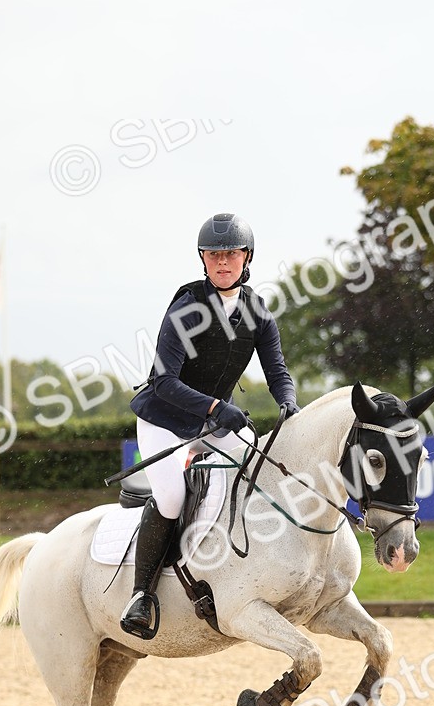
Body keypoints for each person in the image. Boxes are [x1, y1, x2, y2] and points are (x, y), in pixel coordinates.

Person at [120, 212, 299, 639]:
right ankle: (141, 595)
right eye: (214, 254)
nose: (223, 262)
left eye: (231, 254)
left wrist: (289, 403)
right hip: (165, 418)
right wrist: (217, 408)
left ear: (246, 257)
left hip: (215, 419)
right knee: (171, 496)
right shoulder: (187, 307)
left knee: (258, 471)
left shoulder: (257, 313)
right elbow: (163, 381)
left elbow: (277, 371)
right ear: (203, 259)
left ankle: (248, 569)